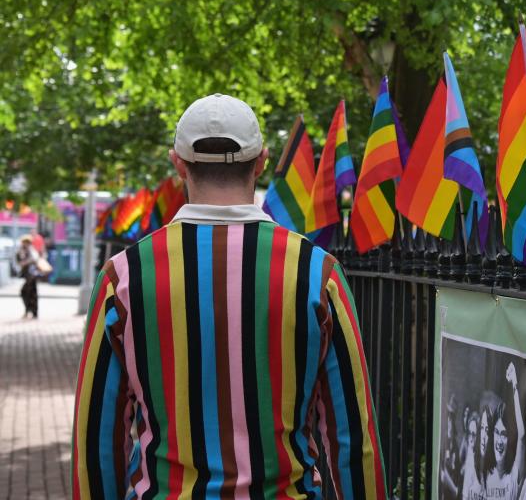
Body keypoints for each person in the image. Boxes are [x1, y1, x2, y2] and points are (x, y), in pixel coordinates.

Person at [72, 94, 386, 499]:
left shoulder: (124, 276)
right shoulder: (316, 272)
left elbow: (96, 439)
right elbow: (353, 440)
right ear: (262, 162)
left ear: (178, 164)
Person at [485, 362, 525, 500]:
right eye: (496, 432)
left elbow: (522, 435)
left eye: (504, 435)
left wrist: (514, 385)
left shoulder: (512, 478)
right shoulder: (485, 476)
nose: (499, 441)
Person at [15, 235, 39, 318]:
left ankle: (32, 311)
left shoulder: (31, 250)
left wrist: (26, 262)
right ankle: (30, 311)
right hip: (28, 275)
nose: (25, 244)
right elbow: (18, 260)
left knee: (29, 293)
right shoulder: (22, 251)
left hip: (32, 275)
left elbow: (35, 259)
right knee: (28, 293)